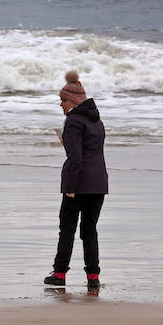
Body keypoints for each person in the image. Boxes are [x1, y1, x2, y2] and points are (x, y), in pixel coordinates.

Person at [45, 70, 108, 290]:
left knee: (68, 229)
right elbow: (91, 153)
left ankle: (60, 274)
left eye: (63, 100)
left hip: (78, 184)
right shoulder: (96, 121)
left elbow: (75, 158)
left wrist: (70, 187)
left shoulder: (73, 122)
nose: (61, 105)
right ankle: (93, 277)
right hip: (98, 183)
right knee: (89, 230)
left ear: (74, 101)